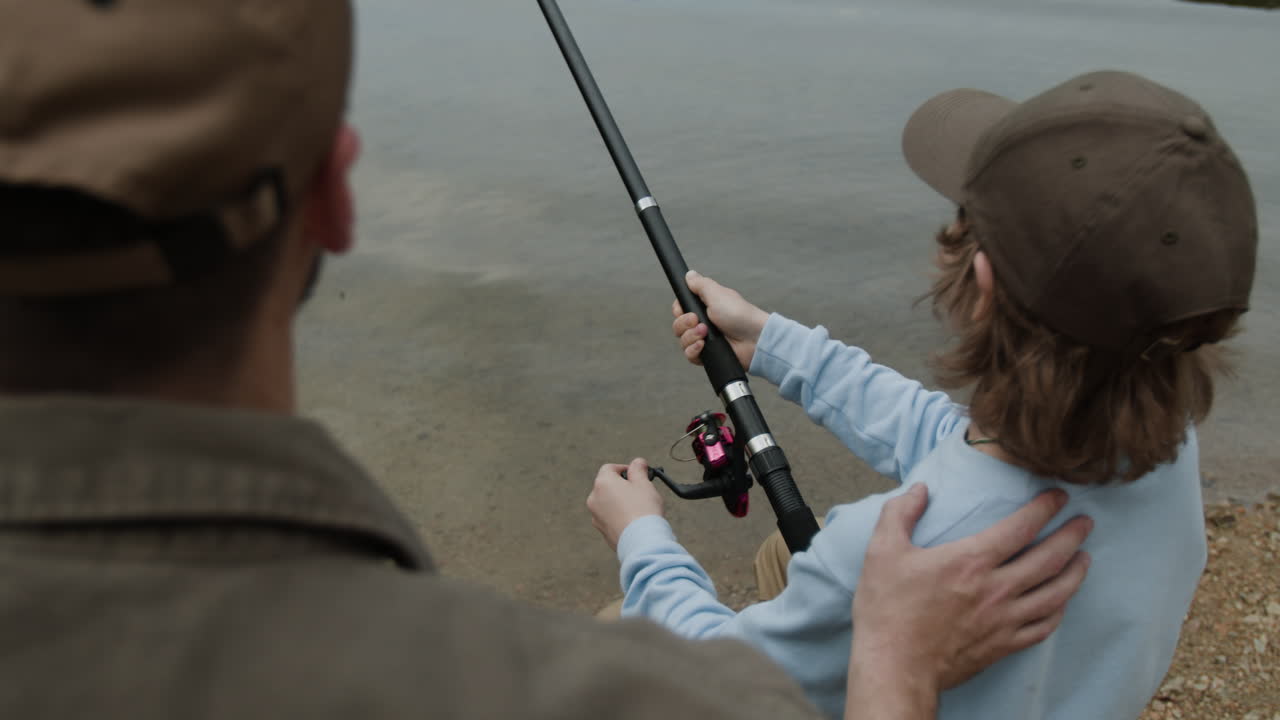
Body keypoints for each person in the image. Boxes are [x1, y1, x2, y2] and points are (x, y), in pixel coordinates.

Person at [0, 2, 1091, 719]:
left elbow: (935, 442)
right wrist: (881, 664)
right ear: (335, 199)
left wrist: (770, 348)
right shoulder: (547, 690)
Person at [589, 69, 1258, 719]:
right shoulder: (1165, 445)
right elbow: (959, 441)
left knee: (617, 633)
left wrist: (643, 538)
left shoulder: (890, 548)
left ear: (984, 279)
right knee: (780, 556)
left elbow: (715, 681)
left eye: (969, 213)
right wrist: (773, 345)